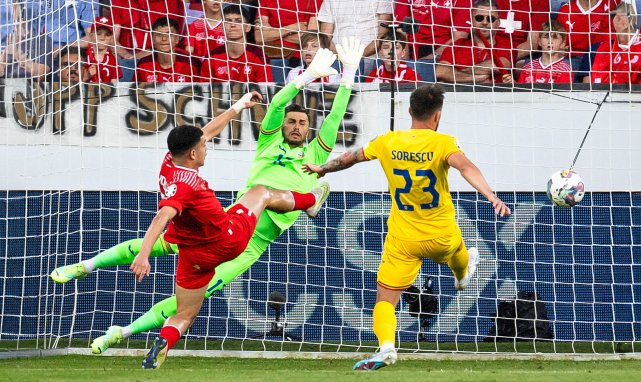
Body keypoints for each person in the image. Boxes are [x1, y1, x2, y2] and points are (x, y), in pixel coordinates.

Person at [50, 39, 365, 356]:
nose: (297, 126)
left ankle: (121, 332)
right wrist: (305, 76)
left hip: (249, 247)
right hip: (228, 223)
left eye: (303, 123)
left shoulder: (315, 153)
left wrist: (349, 72)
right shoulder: (269, 144)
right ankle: (85, 265)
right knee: (159, 243)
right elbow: (279, 102)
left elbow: (337, 113)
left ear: (310, 129)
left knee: (186, 302)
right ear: (280, 124)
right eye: (291, 121)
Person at [303, 84, 511, 371]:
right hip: (441, 235)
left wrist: (323, 168)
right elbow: (466, 167)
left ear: (410, 111)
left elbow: (350, 158)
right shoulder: (443, 143)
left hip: (403, 239)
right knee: (459, 250)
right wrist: (490, 194)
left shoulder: (387, 141)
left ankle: (387, 346)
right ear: (437, 116)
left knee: (385, 300)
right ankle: (462, 275)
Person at [128, 86, 336, 368]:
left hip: (193, 254)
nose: (206, 148)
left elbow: (208, 131)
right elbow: (161, 217)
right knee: (261, 191)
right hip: (228, 238)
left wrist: (237, 107)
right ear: (191, 154)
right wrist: (143, 254)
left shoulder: (169, 162)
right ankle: (310, 200)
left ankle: (165, 339)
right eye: (202, 147)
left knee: (185, 314)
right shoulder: (188, 185)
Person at [435, 0, 514, 84]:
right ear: (472, 21)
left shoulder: (506, 45)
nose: (484, 22)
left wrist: (455, 74)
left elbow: (497, 65)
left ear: (498, 23)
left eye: (490, 19)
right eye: (479, 18)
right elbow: (440, 72)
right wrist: (475, 78)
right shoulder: (457, 45)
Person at [199, 4, 272, 83]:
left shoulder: (258, 56)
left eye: (238, 21)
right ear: (222, 27)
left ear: (247, 27)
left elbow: (265, 90)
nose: (233, 25)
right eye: (228, 21)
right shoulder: (212, 58)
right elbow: (204, 91)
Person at [590, 2, 641, 84]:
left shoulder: (639, 47)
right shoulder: (605, 48)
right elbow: (598, 80)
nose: (614, 20)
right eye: (613, 17)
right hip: (611, 94)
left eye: (620, 16)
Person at [135, 17, 199, 83]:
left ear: (177, 39)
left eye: (169, 34)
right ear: (153, 40)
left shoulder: (191, 65)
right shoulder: (143, 65)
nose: (164, 38)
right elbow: (135, 92)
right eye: (159, 35)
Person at [254, 0, 322, 60]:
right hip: (268, 51)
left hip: (299, 54)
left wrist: (273, 33)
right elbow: (259, 37)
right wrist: (293, 28)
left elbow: (310, 39)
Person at [83, 16, 122, 84]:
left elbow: (115, 85)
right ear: (91, 35)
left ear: (111, 38)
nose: (102, 38)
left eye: (107, 35)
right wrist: (87, 76)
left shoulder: (113, 60)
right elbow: (72, 84)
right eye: (98, 34)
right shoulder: (82, 56)